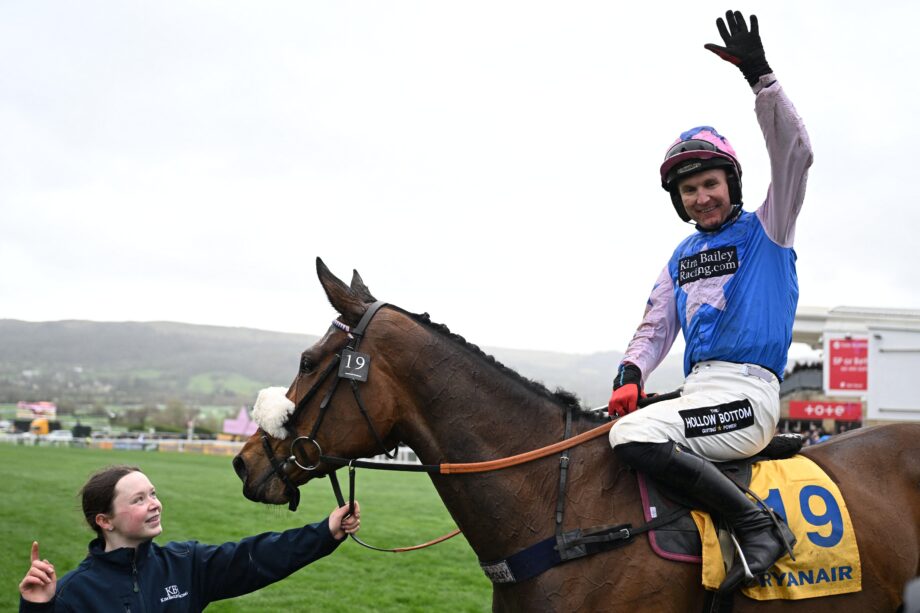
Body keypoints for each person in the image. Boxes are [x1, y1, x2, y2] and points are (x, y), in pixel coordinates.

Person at [606, 10, 813, 593]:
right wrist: (629, 373)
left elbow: (795, 152)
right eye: (689, 190)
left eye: (709, 184)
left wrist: (761, 78)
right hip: (699, 392)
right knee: (611, 433)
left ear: (732, 183)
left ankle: (758, 527)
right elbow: (654, 327)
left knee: (632, 437)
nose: (701, 197)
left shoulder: (770, 228)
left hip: (747, 396)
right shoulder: (680, 256)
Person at [18, 465, 361, 612]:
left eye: (152, 494)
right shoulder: (73, 592)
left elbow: (257, 557)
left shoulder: (186, 565)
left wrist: (324, 532)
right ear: (104, 520)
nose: (154, 505)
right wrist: (36, 608)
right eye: (138, 500)